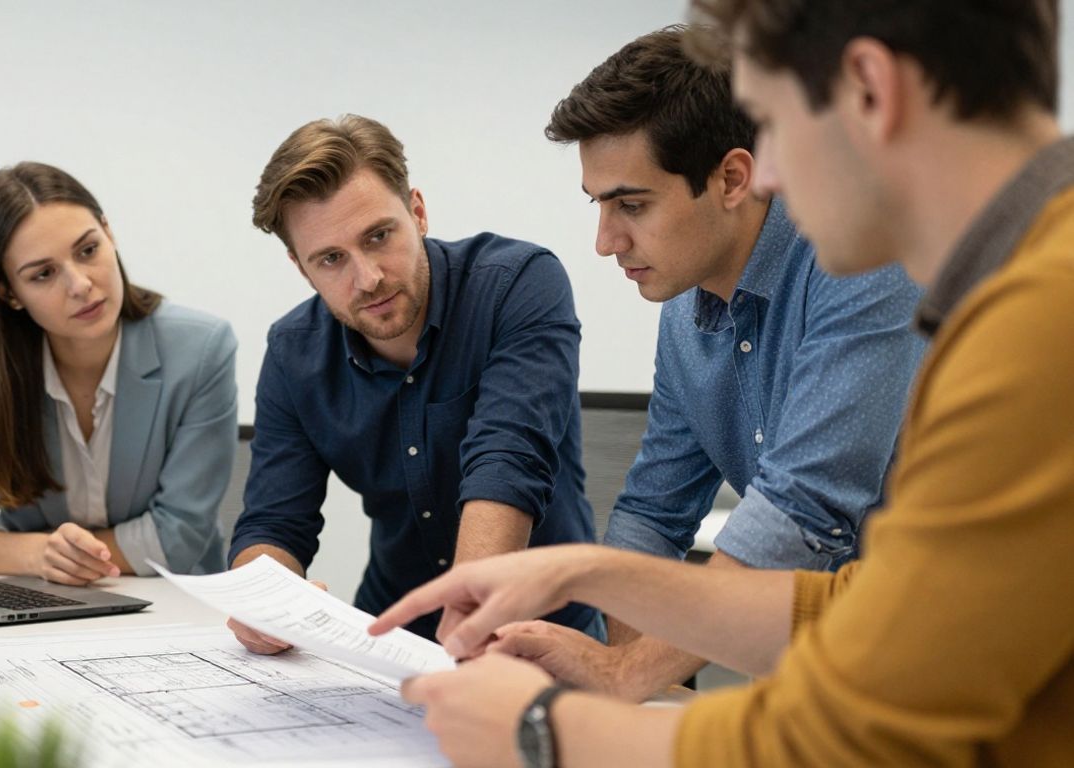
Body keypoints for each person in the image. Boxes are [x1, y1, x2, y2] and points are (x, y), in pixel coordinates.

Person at [370, 1, 1074, 765]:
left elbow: (863, 728)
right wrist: (585, 571)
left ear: (871, 89)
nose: (767, 174)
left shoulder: (1040, 317)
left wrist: (547, 731)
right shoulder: (1022, 289)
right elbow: (884, 609)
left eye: (771, 125)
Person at [489, 25, 925, 702]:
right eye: (599, 205)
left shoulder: (863, 256)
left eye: (631, 204)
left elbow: (803, 509)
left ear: (731, 178)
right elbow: (652, 515)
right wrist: (629, 681)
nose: (605, 242)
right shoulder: (685, 315)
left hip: (953, 665)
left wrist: (630, 673)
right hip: (812, 674)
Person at [227, 114, 601, 647]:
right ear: (300, 267)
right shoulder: (294, 353)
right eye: (331, 259)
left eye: (379, 236)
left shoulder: (517, 285)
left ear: (417, 212)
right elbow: (274, 520)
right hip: (390, 635)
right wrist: (263, 600)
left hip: (545, 630)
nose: (369, 278)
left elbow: (506, 464)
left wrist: (468, 624)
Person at [0, 161, 238, 584]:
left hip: (173, 604)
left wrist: (52, 555)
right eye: (43, 273)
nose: (80, 285)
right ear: (8, 292)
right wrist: (39, 554)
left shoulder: (201, 350)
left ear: (109, 233)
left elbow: (178, 538)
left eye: (88, 250)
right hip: (39, 600)